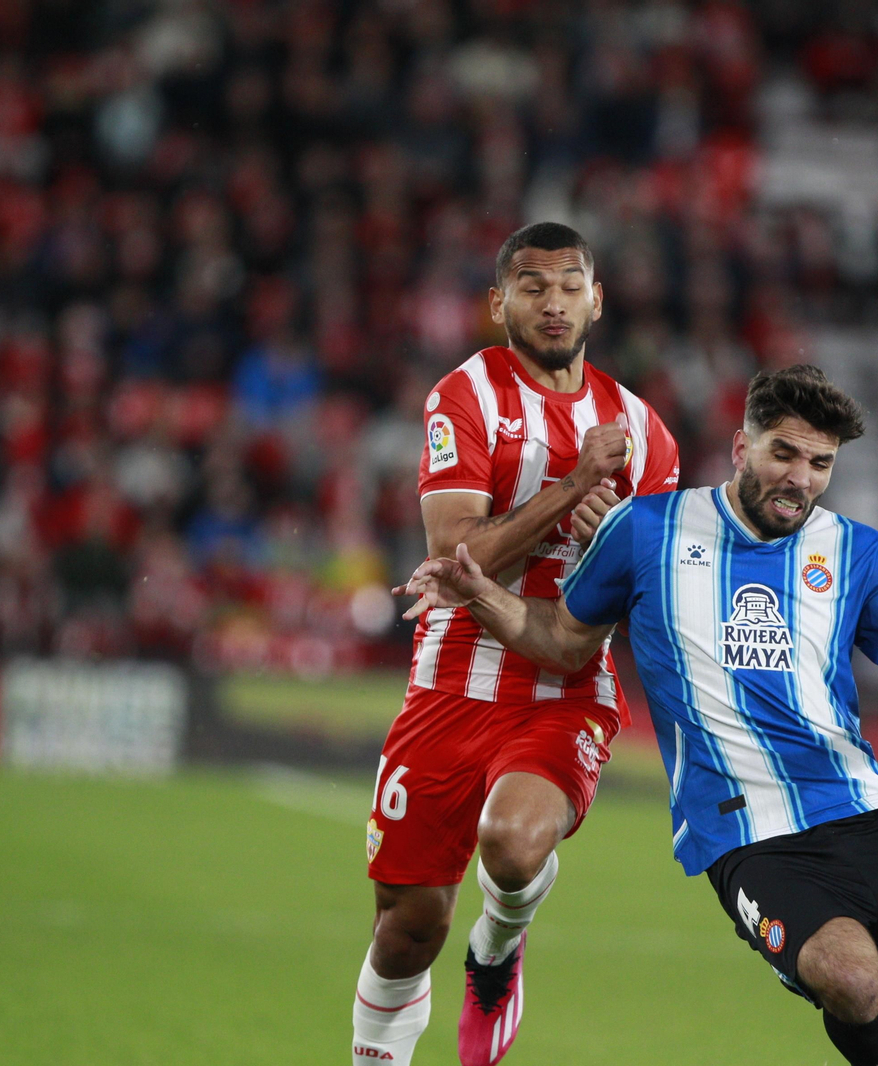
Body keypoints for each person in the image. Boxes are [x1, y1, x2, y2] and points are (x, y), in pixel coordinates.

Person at [396, 365, 878, 1066]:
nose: (800, 477)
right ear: (743, 448)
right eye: (784, 453)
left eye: (820, 463)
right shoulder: (646, 530)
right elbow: (563, 641)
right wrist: (479, 593)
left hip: (868, 807)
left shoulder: (857, 551)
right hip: (748, 832)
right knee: (849, 979)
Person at [351, 222, 680, 1066]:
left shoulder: (645, 433)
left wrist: (621, 545)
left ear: (597, 300)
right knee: (407, 927)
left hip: (564, 685)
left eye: (571, 285)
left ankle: (498, 947)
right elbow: (453, 553)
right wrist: (573, 488)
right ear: (499, 303)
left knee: (513, 839)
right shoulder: (463, 396)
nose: (553, 302)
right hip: (450, 679)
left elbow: (647, 593)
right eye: (532, 286)